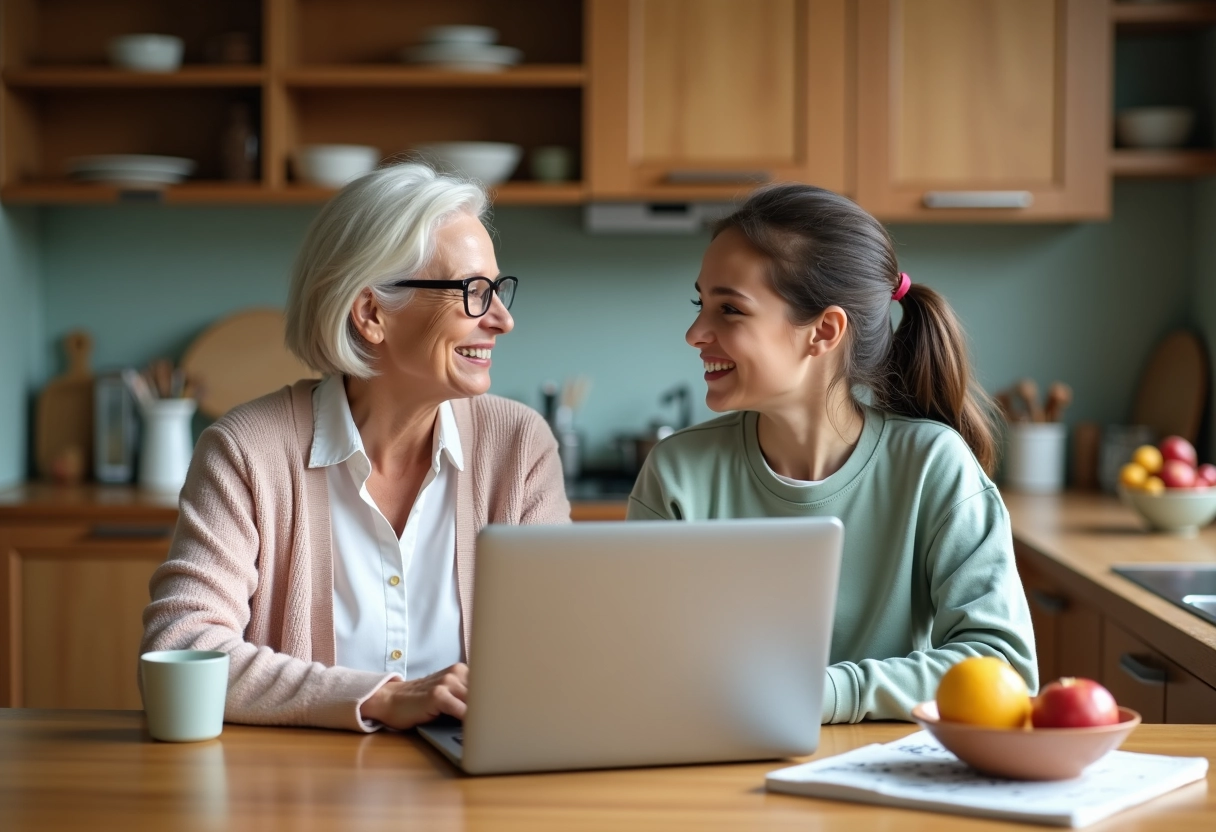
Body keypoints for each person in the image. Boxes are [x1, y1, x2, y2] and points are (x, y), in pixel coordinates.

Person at [141, 163, 570, 732]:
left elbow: (564, 647)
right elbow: (185, 645)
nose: (502, 319)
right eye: (473, 291)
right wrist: (379, 697)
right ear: (371, 314)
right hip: (294, 798)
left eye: (496, 289)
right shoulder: (246, 452)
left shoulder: (518, 446)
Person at [627, 183, 1036, 723]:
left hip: (892, 778)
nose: (695, 332)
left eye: (729, 309)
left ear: (823, 330)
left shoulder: (934, 467)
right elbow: (636, 663)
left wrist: (822, 693)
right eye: (700, 303)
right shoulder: (677, 473)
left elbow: (1004, 668)